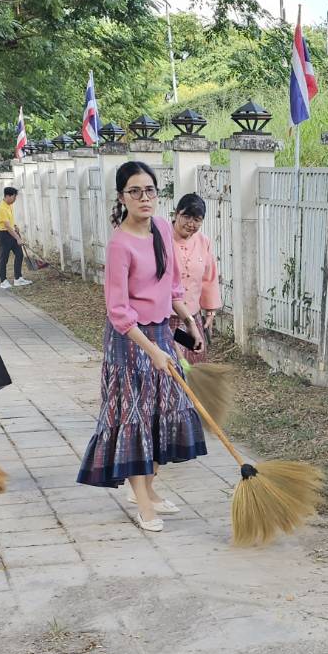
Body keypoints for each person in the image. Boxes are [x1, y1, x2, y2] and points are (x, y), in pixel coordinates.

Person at [76, 161, 206, 532]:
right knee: (134, 417)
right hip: (130, 342)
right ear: (122, 197)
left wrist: (191, 323)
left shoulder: (164, 228)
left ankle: (145, 490)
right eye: (135, 191)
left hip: (163, 331)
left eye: (150, 190)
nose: (144, 198)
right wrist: (152, 350)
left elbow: (173, 287)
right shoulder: (119, 245)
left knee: (164, 411)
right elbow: (118, 312)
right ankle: (144, 504)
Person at [171, 193, 219, 364]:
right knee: (173, 366)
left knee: (194, 362)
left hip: (192, 319)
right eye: (186, 217)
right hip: (166, 320)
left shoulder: (203, 241)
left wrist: (210, 311)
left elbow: (209, 277)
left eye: (197, 219)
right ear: (176, 214)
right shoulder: (161, 239)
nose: (191, 224)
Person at [0, 186, 28, 289]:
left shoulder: (9, 205)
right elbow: (6, 226)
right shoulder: (1, 208)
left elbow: (10, 223)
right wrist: (17, 238)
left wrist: (15, 226)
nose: (15, 199)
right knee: (4, 258)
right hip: (4, 235)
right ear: (8, 196)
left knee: (19, 254)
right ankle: (3, 281)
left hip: (12, 233)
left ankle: (18, 278)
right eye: (14, 197)